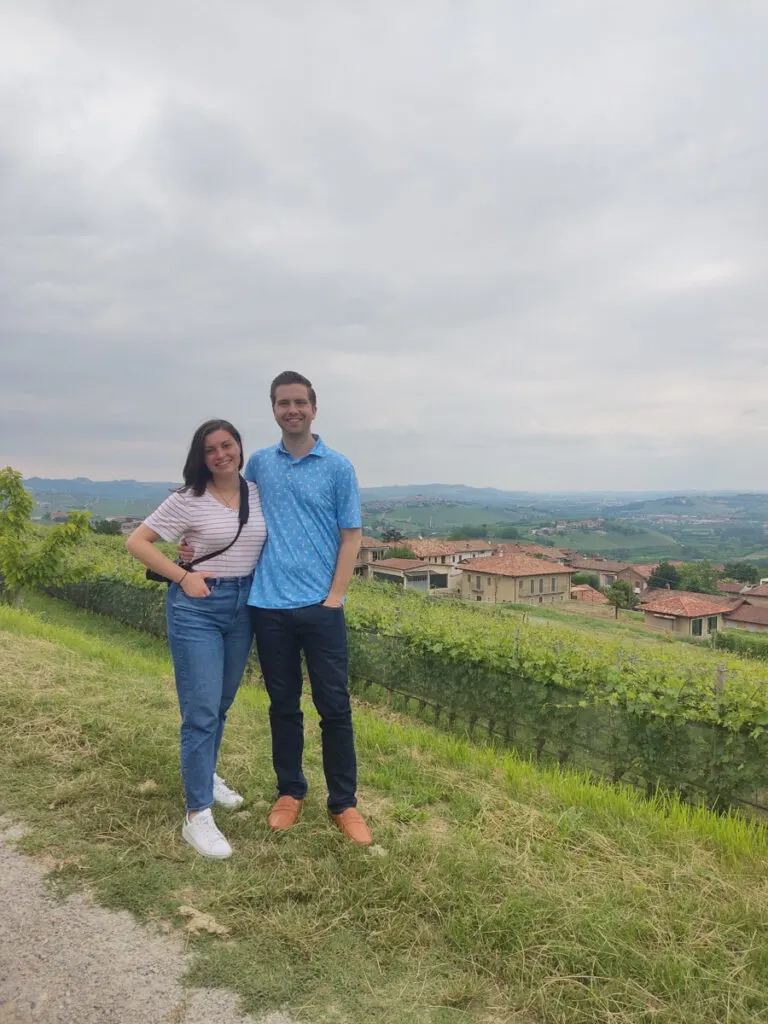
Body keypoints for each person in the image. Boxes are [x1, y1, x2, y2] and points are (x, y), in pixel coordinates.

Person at [180, 372, 371, 845]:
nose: (292, 410)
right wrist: (192, 541)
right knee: (283, 707)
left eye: (300, 402)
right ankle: (290, 792)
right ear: (273, 409)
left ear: (313, 407)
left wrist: (335, 598)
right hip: (266, 607)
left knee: (335, 708)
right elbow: (227, 502)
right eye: (283, 402)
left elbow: (351, 537)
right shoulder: (260, 464)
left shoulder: (338, 467)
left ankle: (343, 803)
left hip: (322, 608)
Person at [127, 419, 267, 859]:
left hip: (244, 605)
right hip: (198, 608)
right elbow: (138, 542)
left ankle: (206, 775)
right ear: (200, 457)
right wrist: (183, 576)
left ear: (240, 447)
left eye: (228, 445)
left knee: (221, 704)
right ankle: (196, 814)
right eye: (211, 450)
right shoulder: (187, 499)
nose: (221, 454)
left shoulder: (258, 493)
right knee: (201, 710)